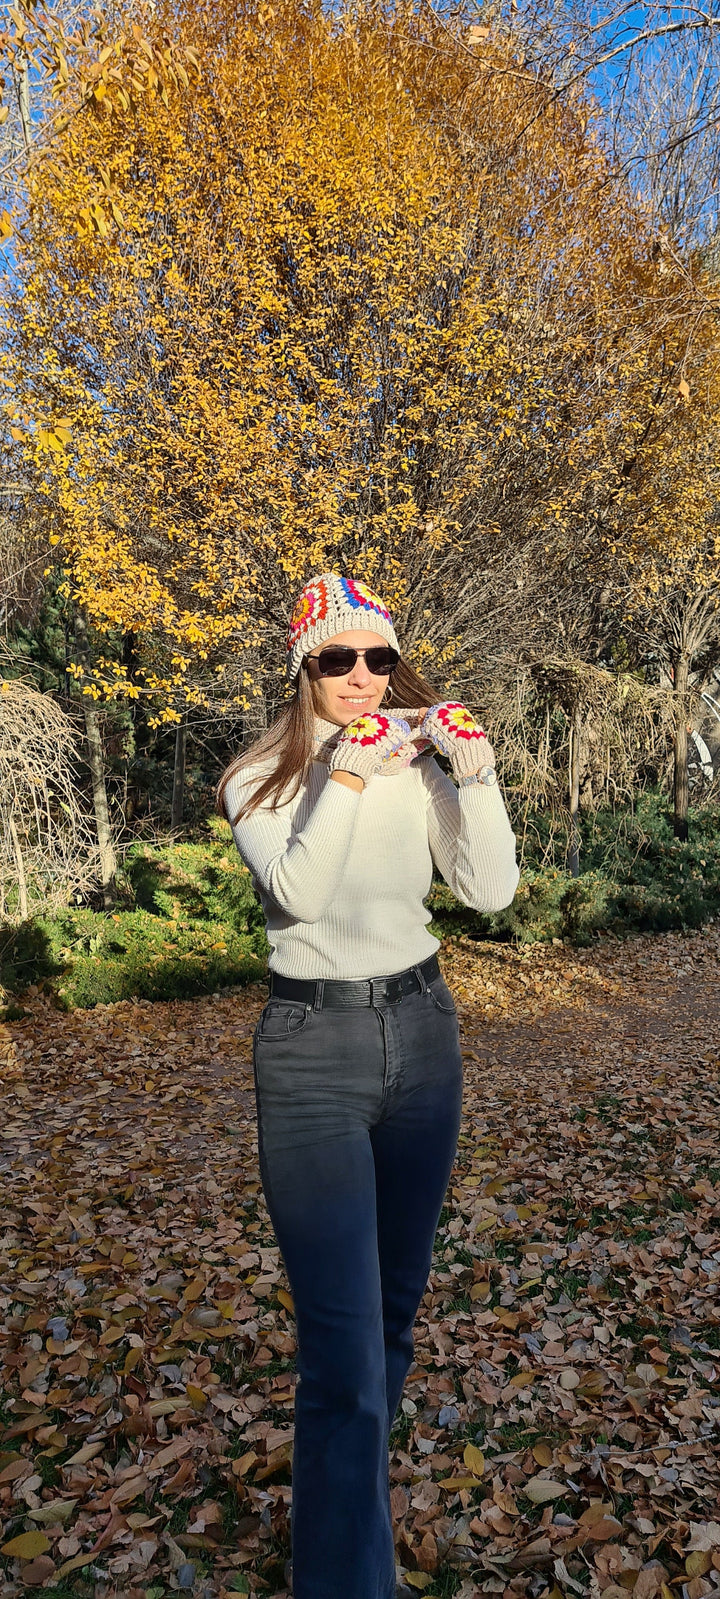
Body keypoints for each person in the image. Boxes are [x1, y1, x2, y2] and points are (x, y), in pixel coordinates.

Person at [216, 573, 519, 1599]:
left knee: (393, 1317)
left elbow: (490, 891)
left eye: (378, 659)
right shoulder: (256, 776)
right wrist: (346, 772)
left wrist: (470, 777)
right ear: (303, 666)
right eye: (337, 659)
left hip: (424, 1032)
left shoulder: (412, 761)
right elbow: (296, 890)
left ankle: (352, 1526)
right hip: (312, 1052)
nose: (361, 679)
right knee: (342, 1352)